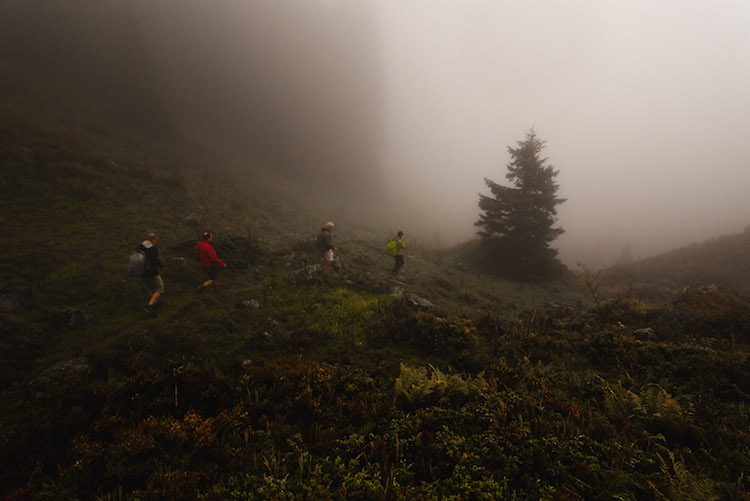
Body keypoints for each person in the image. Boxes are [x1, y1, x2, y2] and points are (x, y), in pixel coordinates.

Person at [138, 233, 164, 317]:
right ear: (153, 240)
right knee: (160, 288)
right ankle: (149, 306)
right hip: (152, 272)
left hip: (141, 272)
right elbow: (154, 260)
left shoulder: (139, 247)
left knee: (151, 288)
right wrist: (160, 264)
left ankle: (154, 305)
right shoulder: (153, 248)